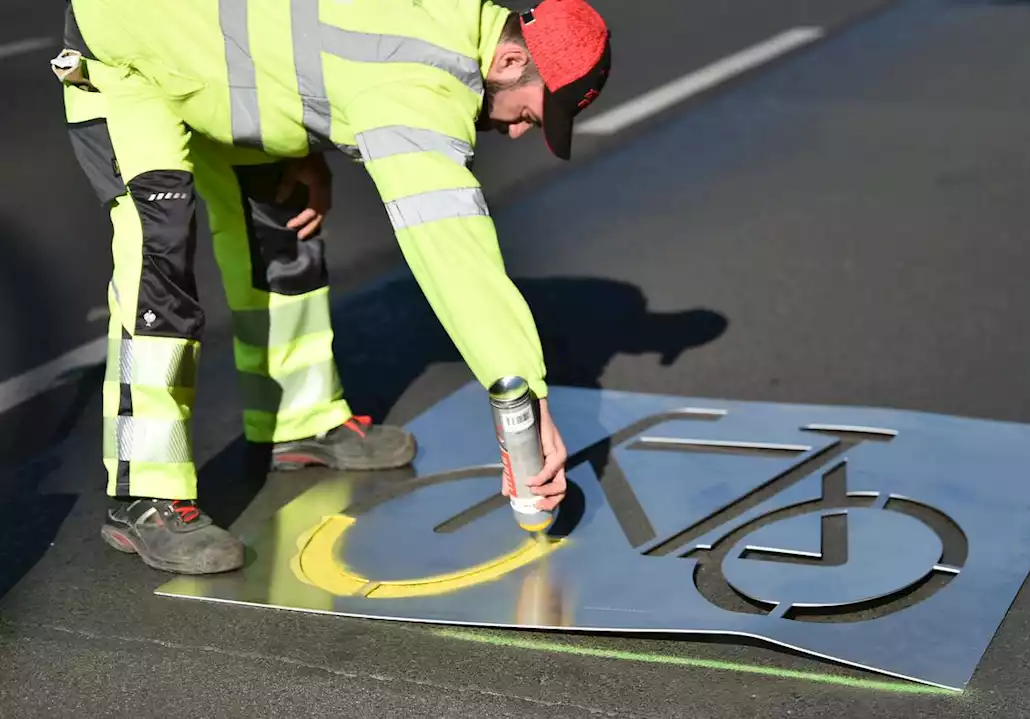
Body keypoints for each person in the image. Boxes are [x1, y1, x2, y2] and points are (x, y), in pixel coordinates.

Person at [52, 0, 611, 574]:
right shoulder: (421, 84)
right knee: (158, 255)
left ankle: (297, 420)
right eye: (532, 115)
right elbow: (454, 255)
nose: (517, 131)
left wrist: (303, 140)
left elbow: (314, 41)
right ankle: (144, 493)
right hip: (129, 49)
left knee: (286, 217)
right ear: (510, 59)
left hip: (215, 58)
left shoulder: (450, 19)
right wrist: (523, 396)